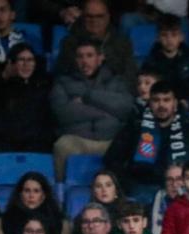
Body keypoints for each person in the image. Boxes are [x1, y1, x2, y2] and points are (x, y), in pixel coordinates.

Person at [50, 40, 132, 180]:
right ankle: (60, 195)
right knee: (62, 145)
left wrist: (89, 97)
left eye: (89, 55)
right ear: (75, 60)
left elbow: (126, 107)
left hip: (110, 141)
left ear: (100, 58)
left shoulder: (116, 81)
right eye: (80, 56)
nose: (84, 61)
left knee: (128, 147)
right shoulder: (63, 82)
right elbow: (63, 113)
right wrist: (105, 113)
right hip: (78, 139)